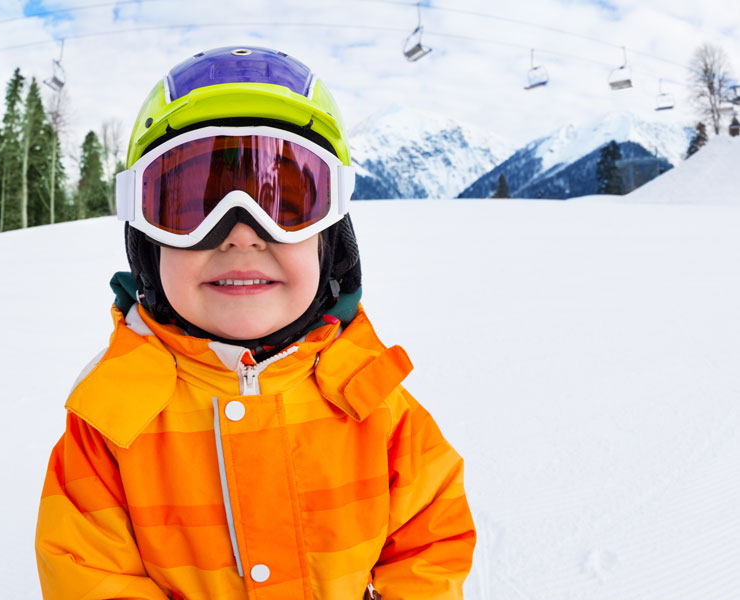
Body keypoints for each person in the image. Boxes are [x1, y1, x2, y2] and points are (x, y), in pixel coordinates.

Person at [35, 46, 475, 600]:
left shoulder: (373, 402)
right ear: (147, 242)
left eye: (285, 204)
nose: (242, 233)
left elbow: (431, 544)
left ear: (330, 239)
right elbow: (86, 577)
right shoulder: (109, 428)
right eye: (193, 205)